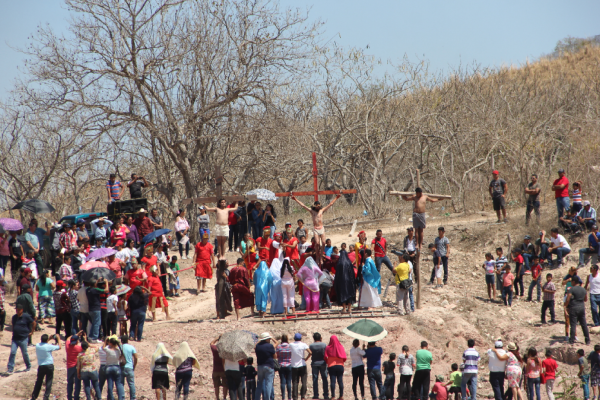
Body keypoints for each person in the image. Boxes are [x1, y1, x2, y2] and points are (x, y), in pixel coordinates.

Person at [291, 193, 342, 264]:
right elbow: (303, 205)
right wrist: (295, 199)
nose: (318, 208)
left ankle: (321, 257)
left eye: (319, 206)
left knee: (323, 242)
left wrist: (337, 197)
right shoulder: (312, 211)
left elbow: (330, 204)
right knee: (317, 243)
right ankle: (318, 257)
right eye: (317, 206)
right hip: (315, 228)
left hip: (321, 227)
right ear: (314, 206)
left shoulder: (321, 211)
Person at [32, 334, 61, 400]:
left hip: (41, 366)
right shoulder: (49, 346)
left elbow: (43, 343)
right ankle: (46, 397)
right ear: (46, 340)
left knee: (39, 381)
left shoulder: (37, 345)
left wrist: (48, 339)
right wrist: (58, 339)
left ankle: (34, 397)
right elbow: (59, 347)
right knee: (49, 382)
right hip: (49, 365)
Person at [6, 304, 34, 374]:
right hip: (15, 338)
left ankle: (28, 366)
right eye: (16, 309)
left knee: (24, 353)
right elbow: (13, 325)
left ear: (22, 310)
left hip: (23, 338)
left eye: (18, 310)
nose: (17, 311)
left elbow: (34, 323)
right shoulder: (14, 317)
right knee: (12, 352)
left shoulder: (26, 316)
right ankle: (10, 368)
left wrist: (31, 332)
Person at [565, 275, 591, 345]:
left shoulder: (572, 289)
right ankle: (587, 340)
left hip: (574, 307)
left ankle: (571, 340)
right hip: (581, 307)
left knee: (573, 324)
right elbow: (585, 299)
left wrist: (566, 306)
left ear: (573, 282)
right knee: (584, 324)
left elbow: (568, 299)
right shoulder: (583, 289)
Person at [255, 332, 278, 400]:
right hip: (269, 366)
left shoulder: (258, 346)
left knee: (259, 384)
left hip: (260, 366)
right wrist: (272, 338)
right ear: (267, 339)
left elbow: (255, 345)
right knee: (269, 384)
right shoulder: (270, 346)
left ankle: (257, 398)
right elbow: (274, 357)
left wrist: (260, 340)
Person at [334, 249, 357, 313]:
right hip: (349, 281)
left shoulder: (339, 263)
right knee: (349, 294)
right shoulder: (349, 262)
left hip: (341, 281)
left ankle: (344, 308)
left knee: (342, 294)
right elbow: (352, 273)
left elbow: (337, 274)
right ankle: (349, 308)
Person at [290, 333, 310, 400]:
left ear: (294, 338)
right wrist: (306, 358)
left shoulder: (291, 345)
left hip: (294, 365)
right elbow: (310, 352)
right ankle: (303, 396)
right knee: (303, 381)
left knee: (295, 382)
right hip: (302, 364)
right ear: (301, 338)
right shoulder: (303, 344)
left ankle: (295, 397)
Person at [309, 332, 328, 399]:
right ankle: (326, 395)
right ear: (320, 338)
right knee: (324, 379)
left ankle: (316, 395)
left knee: (315, 379)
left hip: (314, 363)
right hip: (323, 363)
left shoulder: (311, 345)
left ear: (314, 338)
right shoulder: (324, 345)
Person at [119, 335, 137, 400]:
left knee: (121, 384)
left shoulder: (119, 347)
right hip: (130, 367)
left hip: (121, 367)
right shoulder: (131, 347)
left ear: (121, 341)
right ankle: (133, 398)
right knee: (131, 384)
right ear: (127, 340)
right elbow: (136, 357)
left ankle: (122, 397)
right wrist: (134, 366)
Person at [276, 334, 293, 400]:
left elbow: (277, 355)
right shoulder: (290, 346)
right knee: (289, 382)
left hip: (281, 365)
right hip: (289, 364)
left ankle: (283, 397)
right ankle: (289, 397)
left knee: (282, 382)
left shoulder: (279, 347)